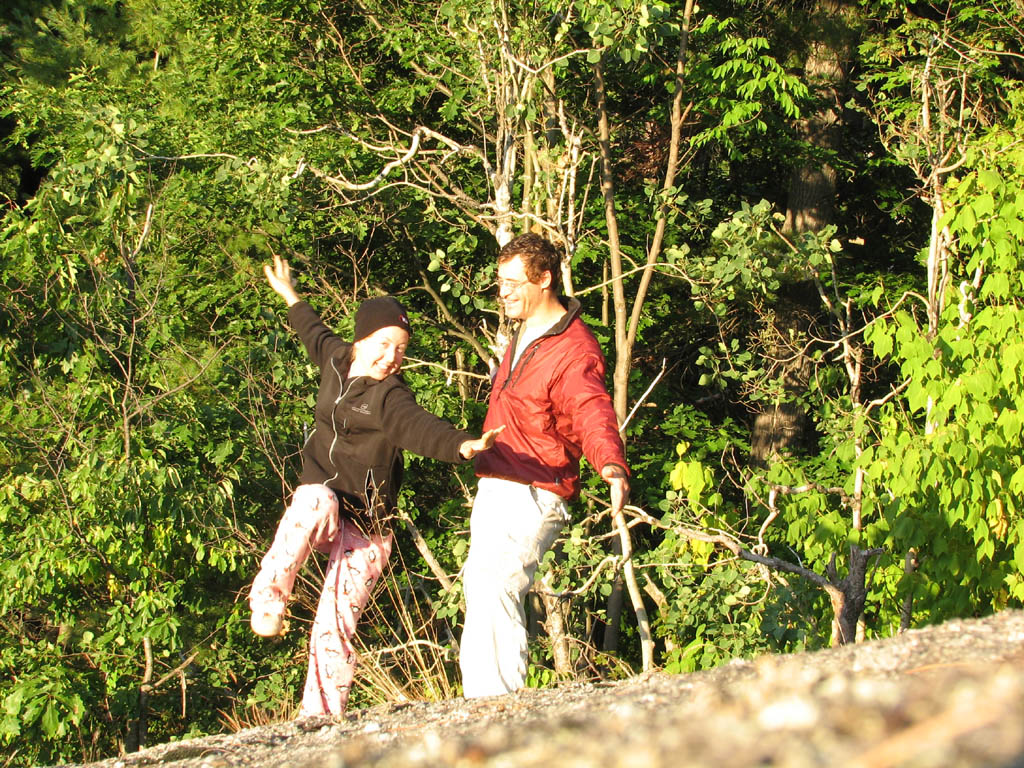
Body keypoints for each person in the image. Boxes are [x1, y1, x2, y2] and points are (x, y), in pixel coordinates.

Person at [249, 254, 502, 718]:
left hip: (366, 525)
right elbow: (312, 329)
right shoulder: (335, 359)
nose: (391, 358)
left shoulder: (390, 396)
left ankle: (320, 716)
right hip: (324, 508)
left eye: (401, 350)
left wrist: (461, 444)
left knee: (335, 622)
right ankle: (268, 600)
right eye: (385, 345)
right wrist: (290, 294)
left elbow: (418, 427)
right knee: (313, 496)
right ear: (362, 338)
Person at [460, 232, 629, 698]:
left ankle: (497, 715)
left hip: (535, 489)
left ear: (546, 279)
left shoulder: (574, 349)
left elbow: (590, 409)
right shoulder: (525, 331)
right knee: (480, 588)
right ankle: (479, 710)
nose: (504, 292)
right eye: (500, 282)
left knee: (496, 585)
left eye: (514, 283)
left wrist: (610, 464)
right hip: (497, 482)